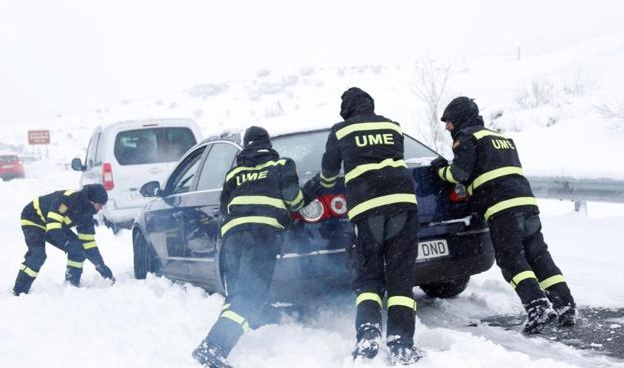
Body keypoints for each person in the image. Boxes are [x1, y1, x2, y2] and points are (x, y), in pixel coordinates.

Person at [431, 96, 576, 333]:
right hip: (527, 204)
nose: (447, 126)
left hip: (502, 209)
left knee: (511, 259)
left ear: (458, 118)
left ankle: (537, 306)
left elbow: (459, 173)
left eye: (448, 121)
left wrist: (440, 169)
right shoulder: (501, 138)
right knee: (538, 255)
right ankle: (565, 305)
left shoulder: (467, 137)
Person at [315, 87, 422, 365]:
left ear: (346, 110)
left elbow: (328, 175)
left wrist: (325, 185)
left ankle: (368, 336)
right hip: (403, 204)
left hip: (367, 209)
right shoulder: (392, 126)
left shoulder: (340, 131)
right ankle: (401, 343)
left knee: (369, 277)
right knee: (401, 276)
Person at [192, 126, 308, 368]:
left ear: (246, 146)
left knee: (239, 291)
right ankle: (213, 345)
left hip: (232, 239)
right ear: (268, 144)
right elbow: (294, 199)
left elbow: (225, 208)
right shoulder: (281, 165)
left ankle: (251, 323)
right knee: (250, 294)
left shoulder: (234, 173)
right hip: (262, 235)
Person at [13, 183, 115, 295]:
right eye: (99, 205)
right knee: (38, 255)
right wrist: (67, 243)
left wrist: (100, 265)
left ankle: (72, 284)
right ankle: (19, 291)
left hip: (54, 225)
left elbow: (89, 244)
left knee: (78, 248)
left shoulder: (87, 214)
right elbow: (53, 228)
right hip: (34, 218)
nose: (100, 209)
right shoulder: (67, 200)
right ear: (91, 201)